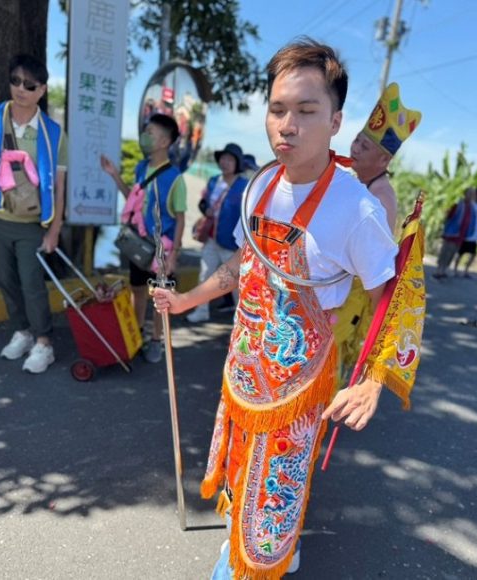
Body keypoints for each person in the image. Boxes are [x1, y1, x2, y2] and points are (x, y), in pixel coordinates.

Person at [151, 38, 400, 578]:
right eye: (277, 109)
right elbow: (244, 261)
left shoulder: (357, 209)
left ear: (335, 121)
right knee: (243, 473)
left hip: (297, 384)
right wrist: (187, 299)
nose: (287, 125)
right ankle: (261, 544)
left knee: (275, 491)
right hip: (244, 367)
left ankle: (257, 562)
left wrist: (374, 379)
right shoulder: (261, 184)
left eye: (306, 111)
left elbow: (393, 295)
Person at [334, 82, 421, 375]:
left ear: (384, 159)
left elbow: (372, 262)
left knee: (329, 363)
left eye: (365, 146)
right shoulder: (360, 182)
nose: (355, 147)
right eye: (357, 140)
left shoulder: (381, 197)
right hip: (340, 287)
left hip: (352, 295)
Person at [0, 54, 68, 373]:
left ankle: (44, 342)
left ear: (42, 90)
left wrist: (55, 229)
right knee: (5, 280)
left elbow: (59, 187)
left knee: (32, 284)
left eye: (30, 85)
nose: (21, 89)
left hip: (32, 224)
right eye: (16, 81)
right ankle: (21, 332)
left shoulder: (53, 133)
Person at [100, 113, 187, 363]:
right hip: (139, 245)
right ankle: (136, 334)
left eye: (150, 133)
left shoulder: (175, 178)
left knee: (160, 298)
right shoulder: (141, 167)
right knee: (137, 289)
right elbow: (133, 199)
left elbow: (180, 219)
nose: (144, 137)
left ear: (165, 142)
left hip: (161, 250)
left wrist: (174, 255)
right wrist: (114, 175)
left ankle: (157, 340)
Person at [186, 143, 247, 323]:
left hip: (233, 243)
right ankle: (201, 311)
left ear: (237, 163)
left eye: (230, 159)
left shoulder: (245, 185)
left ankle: (243, 319)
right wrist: (206, 209)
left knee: (236, 282)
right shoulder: (213, 180)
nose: (225, 162)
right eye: (223, 158)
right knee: (205, 275)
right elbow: (203, 202)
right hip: (211, 239)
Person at [432, 186, 476, 279]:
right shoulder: (458, 204)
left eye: (472, 194)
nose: (471, 195)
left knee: (452, 254)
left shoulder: (472, 208)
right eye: (469, 193)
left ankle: (443, 270)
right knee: (445, 252)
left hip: (461, 236)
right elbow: (449, 216)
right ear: (465, 194)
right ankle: (438, 270)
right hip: (451, 233)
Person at [454, 186, 477, 278]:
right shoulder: (471, 205)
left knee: (473, 254)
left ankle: (466, 271)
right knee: (460, 253)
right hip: (467, 234)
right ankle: (455, 270)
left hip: (475, 236)